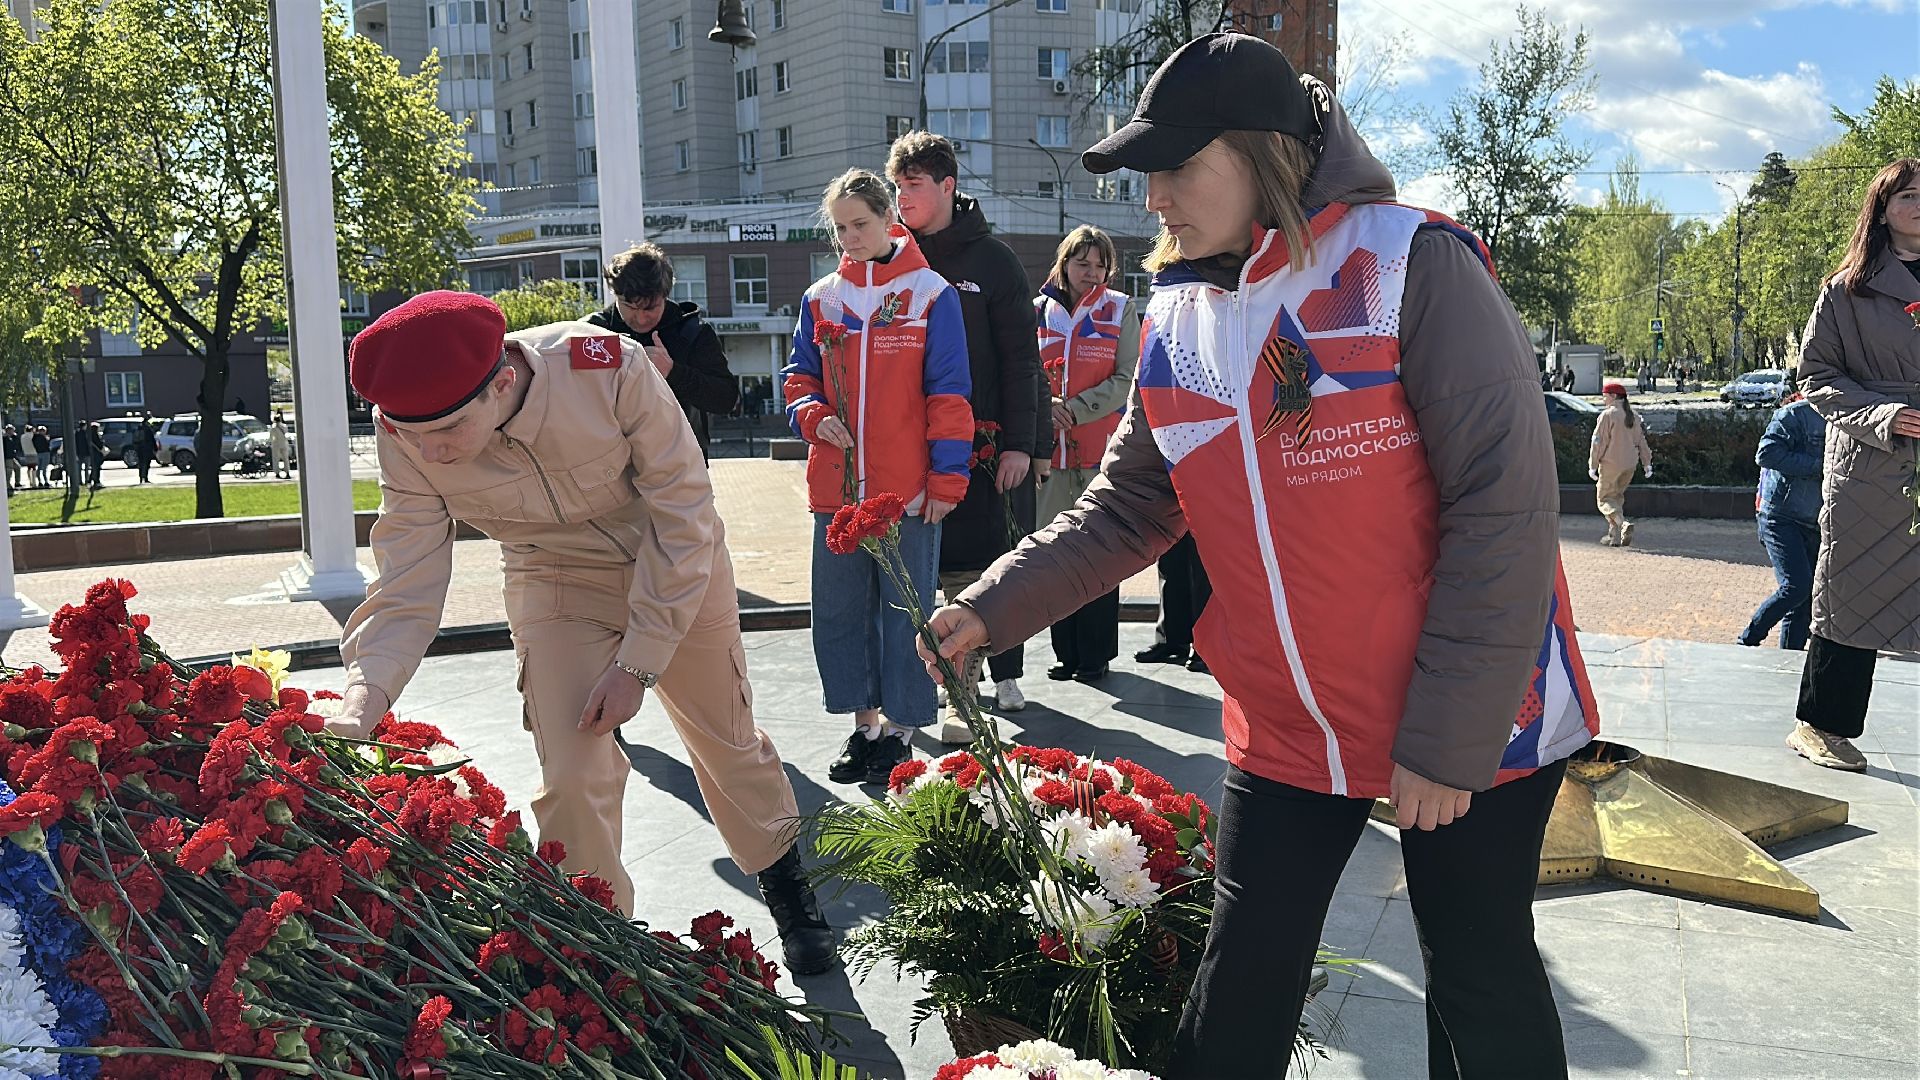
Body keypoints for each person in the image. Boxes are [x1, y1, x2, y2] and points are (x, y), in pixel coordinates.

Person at [918, 35, 1597, 1079]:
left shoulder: (1410, 263)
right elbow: (1130, 508)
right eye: (1147, 173)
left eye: (1180, 167)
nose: (1155, 198)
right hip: (1292, 720)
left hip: (1472, 709)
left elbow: (1503, 511)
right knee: (1242, 972)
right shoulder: (1181, 314)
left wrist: (1446, 738)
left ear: (1265, 153)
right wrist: (994, 602)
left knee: (1477, 973)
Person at [330, 290, 836, 974]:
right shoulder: (409, 429)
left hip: (671, 561)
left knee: (725, 740)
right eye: (407, 434)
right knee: (570, 772)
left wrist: (637, 665)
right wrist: (364, 695)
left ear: (501, 384)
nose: (429, 452)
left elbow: (684, 515)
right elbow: (405, 578)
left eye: (446, 431)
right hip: (553, 576)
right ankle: (601, 945)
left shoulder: (606, 368)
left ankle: (784, 883)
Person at [783, 169, 973, 786]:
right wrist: (813, 415)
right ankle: (864, 726)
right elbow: (798, 378)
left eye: (860, 224)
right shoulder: (822, 298)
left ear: (890, 217)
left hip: (906, 492)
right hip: (836, 491)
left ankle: (900, 732)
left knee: (906, 616)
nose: (850, 237)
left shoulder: (931, 294)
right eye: (840, 227)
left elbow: (950, 393)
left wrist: (947, 478)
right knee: (840, 613)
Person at [887, 132, 1043, 736]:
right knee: (912, 577)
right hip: (907, 453)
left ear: (948, 186)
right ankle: (908, 703)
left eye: (914, 185)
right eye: (896, 186)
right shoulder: (889, 260)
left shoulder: (992, 262)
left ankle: (968, 695)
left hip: (982, 452)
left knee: (975, 575)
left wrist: (1022, 446)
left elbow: (1022, 361)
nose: (902, 198)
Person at [1789, 157, 1920, 772]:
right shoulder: (1846, 290)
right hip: (1872, 465)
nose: (1919, 205)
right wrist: (1883, 414)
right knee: (1852, 591)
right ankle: (1820, 725)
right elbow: (1816, 375)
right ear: (1883, 210)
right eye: (1907, 196)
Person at [1035, 225, 1139, 682]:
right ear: (1064, 264)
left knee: (1098, 553)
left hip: (1101, 454)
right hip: (1049, 460)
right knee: (1055, 554)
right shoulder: (1038, 312)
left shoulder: (1120, 308)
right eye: (1083, 263)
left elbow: (1127, 377)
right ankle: (1066, 653)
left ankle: (1096, 655)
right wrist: (1046, 407)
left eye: (1100, 265)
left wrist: (1075, 409)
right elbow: (1024, 372)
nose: (1092, 273)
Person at [586, 243, 740, 461]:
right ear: (615, 294)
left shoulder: (693, 332)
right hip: (611, 467)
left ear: (665, 295)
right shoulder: (592, 333)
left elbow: (727, 399)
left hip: (680, 465)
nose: (641, 319)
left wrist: (673, 372)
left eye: (650, 308)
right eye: (629, 307)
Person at [1739, 378, 1826, 650]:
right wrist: (1820, 466)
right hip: (1780, 517)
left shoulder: (1846, 419)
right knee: (1796, 586)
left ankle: (1790, 659)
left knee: (1805, 599)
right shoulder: (1794, 415)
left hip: (1814, 520)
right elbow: (1766, 454)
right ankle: (1748, 639)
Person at [1588, 382, 1653, 546]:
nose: (1603, 400)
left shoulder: (1607, 415)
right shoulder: (1634, 416)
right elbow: (1641, 442)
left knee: (1604, 499)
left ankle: (1622, 524)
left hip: (1611, 464)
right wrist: (1647, 464)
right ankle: (1614, 537)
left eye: (1605, 396)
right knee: (1616, 498)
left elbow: (1598, 442)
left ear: (1614, 396)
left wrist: (1593, 465)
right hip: (1630, 465)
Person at [132, 412, 157, 484]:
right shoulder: (148, 429)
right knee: (146, 463)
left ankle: (141, 478)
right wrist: (155, 448)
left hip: (139, 448)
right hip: (147, 448)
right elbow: (151, 439)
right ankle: (145, 478)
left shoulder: (138, 428)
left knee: (141, 463)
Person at [270, 410, 292, 478]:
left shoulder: (273, 427)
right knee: (285, 459)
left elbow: (271, 437)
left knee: (276, 459)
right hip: (284, 443)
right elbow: (286, 433)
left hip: (276, 444)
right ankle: (287, 472)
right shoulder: (284, 426)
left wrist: (271, 443)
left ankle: (277, 473)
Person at [3, 426, 20, 492]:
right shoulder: (4, 438)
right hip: (7, 457)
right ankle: (7, 485)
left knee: (17, 467)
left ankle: (17, 482)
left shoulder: (12, 438)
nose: (13, 432)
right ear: (8, 430)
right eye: (12, 430)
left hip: (12, 456)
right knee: (9, 471)